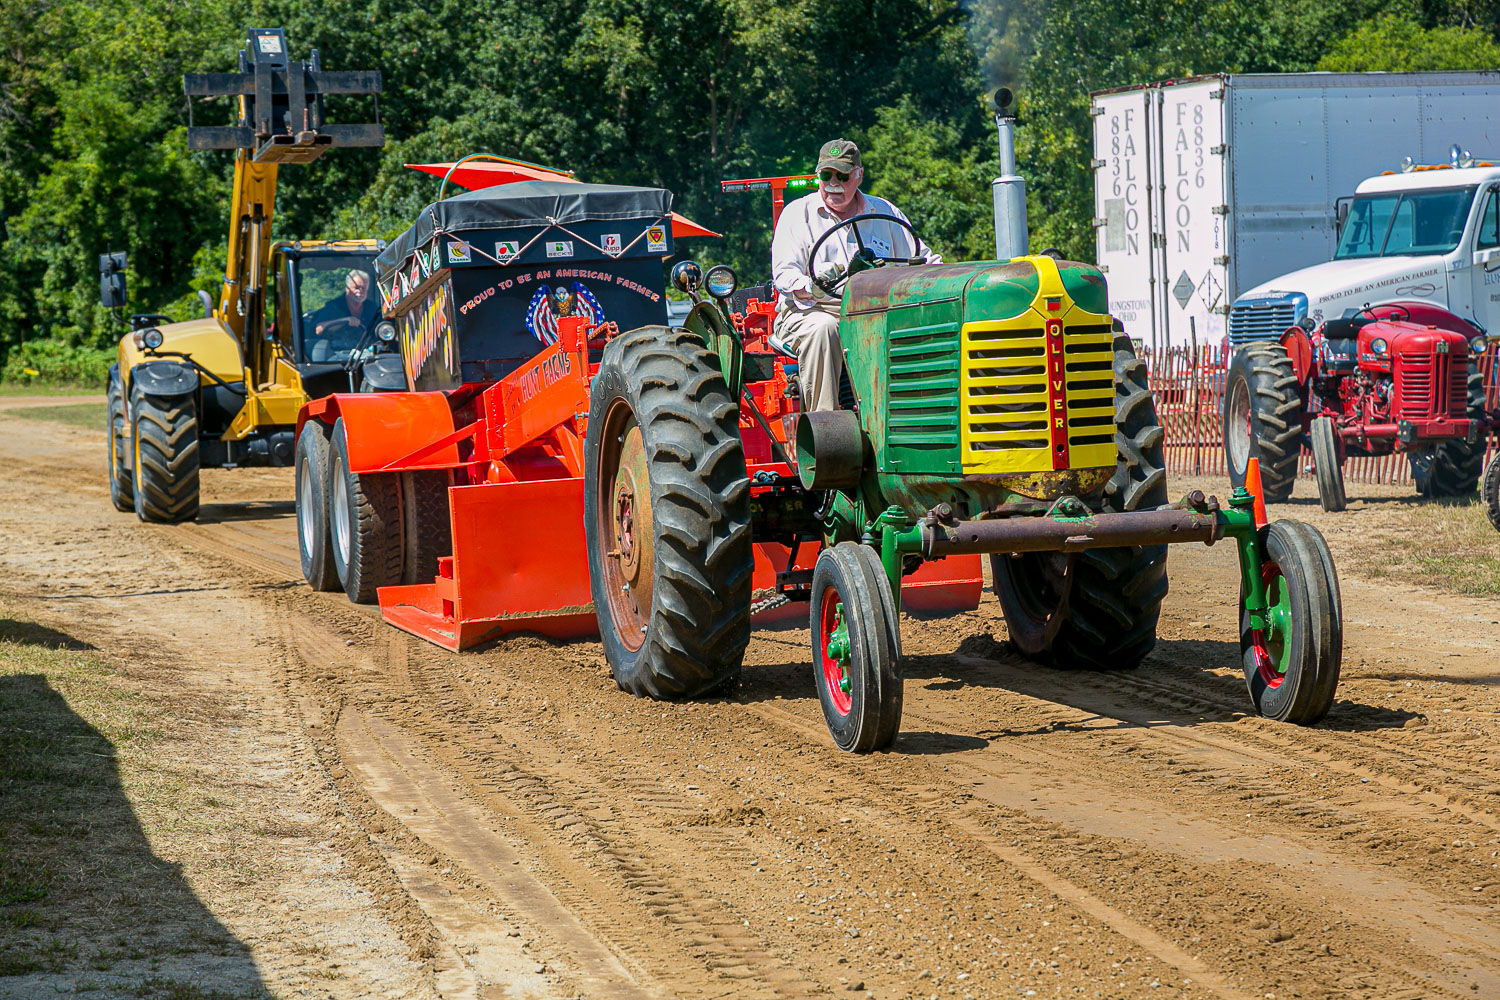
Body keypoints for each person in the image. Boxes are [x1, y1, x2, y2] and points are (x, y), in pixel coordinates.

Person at [769, 138, 941, 410]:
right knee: (823, 330)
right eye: (827, 175)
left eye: (843, 175)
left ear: (859, 176)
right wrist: (812, 285)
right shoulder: (798, 214)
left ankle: (919, 416)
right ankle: (827, 429)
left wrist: (947, 279)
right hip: (814, 309)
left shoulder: (884, 212)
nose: (834, 183)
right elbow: (784, 273)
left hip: (876, 309)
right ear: (818, 176)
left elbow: (922, 259)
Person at [306, 269, 378, 362]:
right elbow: (318, 329)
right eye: (356, 288)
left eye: (363, 288)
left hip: (365, 355)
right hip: (335, 354)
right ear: (347, 289)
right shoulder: (333, 306)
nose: (360, 291)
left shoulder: (372, 308)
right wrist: (345, 320)